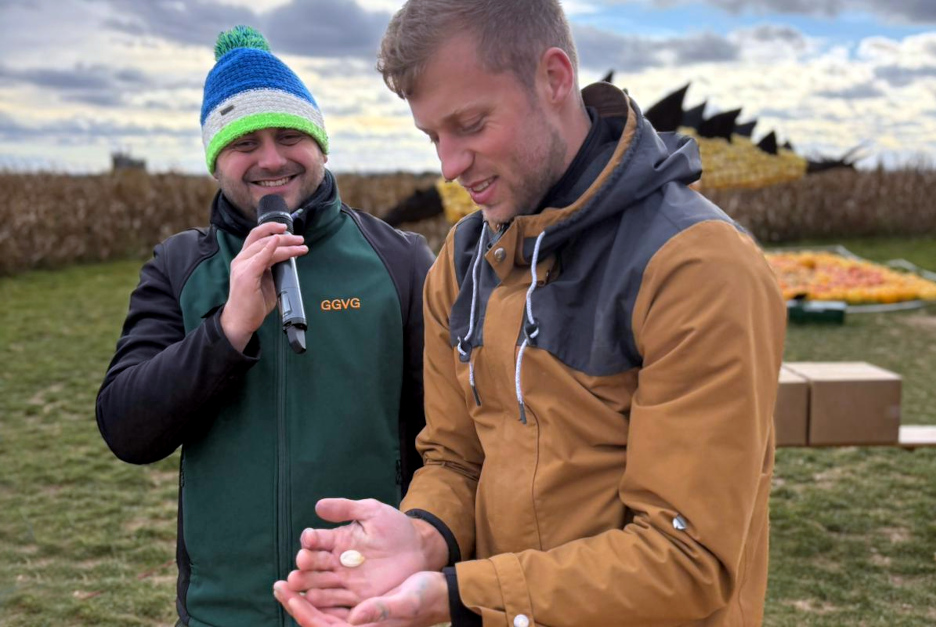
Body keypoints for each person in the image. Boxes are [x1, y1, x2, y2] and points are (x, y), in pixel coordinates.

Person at [274, 1, 786, 625]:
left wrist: (457, 596)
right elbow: (456, 459)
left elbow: (687, 558)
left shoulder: (697, 268)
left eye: (471, 124)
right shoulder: (463, 262)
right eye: (434, 136)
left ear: (554, 78)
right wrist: (423, 534)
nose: (450, 165)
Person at [96, 25, 434, 627]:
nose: (272, 159)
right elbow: (127, 429)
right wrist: (229, 328)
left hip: (366, 605)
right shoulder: (178, 266)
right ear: (216, 160)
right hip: (222, 610)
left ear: (321, 146)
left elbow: (448, 445)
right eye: (245, 142)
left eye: (289, 136)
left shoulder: (400, 261)